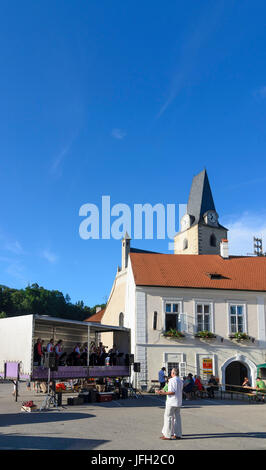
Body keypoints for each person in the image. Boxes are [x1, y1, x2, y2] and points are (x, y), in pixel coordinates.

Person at [156, 368, 183, 440]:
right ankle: (178, 434)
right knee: (177, 418)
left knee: (168, 417)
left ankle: (167, 435)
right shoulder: (180, 380)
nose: (171, 373)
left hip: (171, 402)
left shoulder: (171, 380)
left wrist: (162, 393)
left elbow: (172, 392)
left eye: (171, 372)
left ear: (173, 373)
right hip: (178, 401)